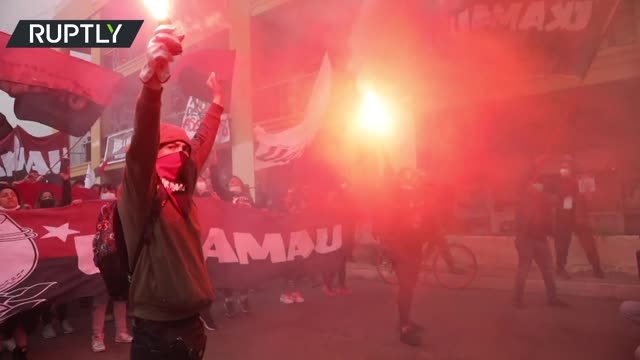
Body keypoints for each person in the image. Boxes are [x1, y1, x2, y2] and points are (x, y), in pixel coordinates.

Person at [118, 24, 223, 360]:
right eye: (173, 147)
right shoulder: (139, 191)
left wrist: (217, 104)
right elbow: (142, 145)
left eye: (184, 149)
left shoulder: (185, 183)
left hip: (192, 329)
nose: (182, 154)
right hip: (154, 334)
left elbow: (202, 144)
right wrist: (151, 85)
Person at [380, 168, 425, 347]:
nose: (413, 180)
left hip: (413, 250)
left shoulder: (412, 198)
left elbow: (418, 222)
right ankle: (404, 328)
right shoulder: (394, 202)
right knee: (406, 289)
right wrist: (393, 252)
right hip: (402, 252)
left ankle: (406, 320)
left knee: (410, 289)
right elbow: (390, 229)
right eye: (409, 178)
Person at [513, 176, 568, 308]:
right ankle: (517, 299)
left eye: (538, 184)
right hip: (526, 239)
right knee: (524, 270)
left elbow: (555, 200)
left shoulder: (542, 198)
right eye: (533, 184)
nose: (536, 186)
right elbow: (526, 216)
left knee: (548, 270)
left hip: (540, 239)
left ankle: (552, 299)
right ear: (527, 186)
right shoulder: (524, 199)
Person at [553, 161, 604, 279]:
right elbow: (555, 197)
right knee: (562, 245)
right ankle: (560, 269)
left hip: (579, 216)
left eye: (566, 167)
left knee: (589, 243)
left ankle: (597, 268)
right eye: (562, 167)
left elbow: (589, 197)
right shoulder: (558, 182)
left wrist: (587, 193)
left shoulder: (580, 181)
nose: (564, 170)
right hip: (564, 217)